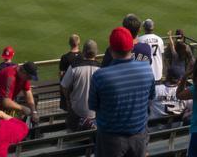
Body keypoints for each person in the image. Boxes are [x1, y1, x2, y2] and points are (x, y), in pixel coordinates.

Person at [89, 27, 155, 157]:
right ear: (132, 47)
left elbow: (93, 106)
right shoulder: (147, 69)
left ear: (111, 49)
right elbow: (151, 98)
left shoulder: (100, 76)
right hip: (139, 138)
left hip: (110, 139)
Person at [60, 40, 101, 131]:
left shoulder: (74, 67)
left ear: (83, 52)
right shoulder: (101, 69)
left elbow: (64, 86)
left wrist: (68, 99)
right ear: (96, 53)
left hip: (76, 112)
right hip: (95, 114)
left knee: (73, 133)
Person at [59, 35, 81, 111]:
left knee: (70, 111)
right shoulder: (83, 56)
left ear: (69, 43)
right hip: (79, 88)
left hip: (68, 89)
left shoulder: (65, 57)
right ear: (79, 42)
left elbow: (61, 75)